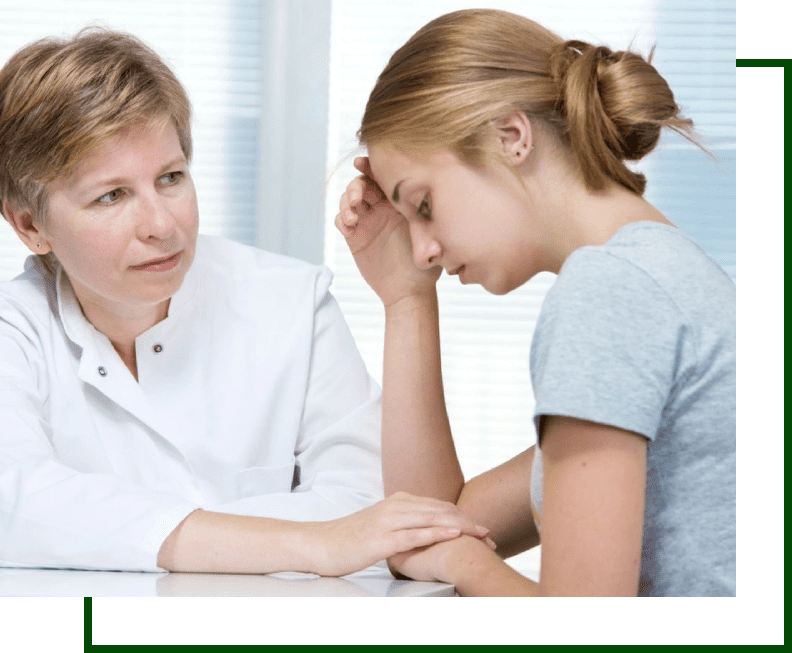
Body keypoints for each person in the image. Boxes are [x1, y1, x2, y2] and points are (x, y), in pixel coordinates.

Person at [0, 27, 492, 576]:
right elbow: (15, 501)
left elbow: (375, 509)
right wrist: (313, 543)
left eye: (171, 178)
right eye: (111, 195)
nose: (162, 225)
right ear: (29, 225)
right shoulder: (13, 329)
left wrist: (108, 530)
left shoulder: (292, 304)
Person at [336, 9, 736, 596]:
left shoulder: (610, 293)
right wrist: (406, 298)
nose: (422, 251)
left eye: (422, 205)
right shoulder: (662, 274)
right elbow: (434, 519)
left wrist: (466, 566)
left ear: (512, 136)